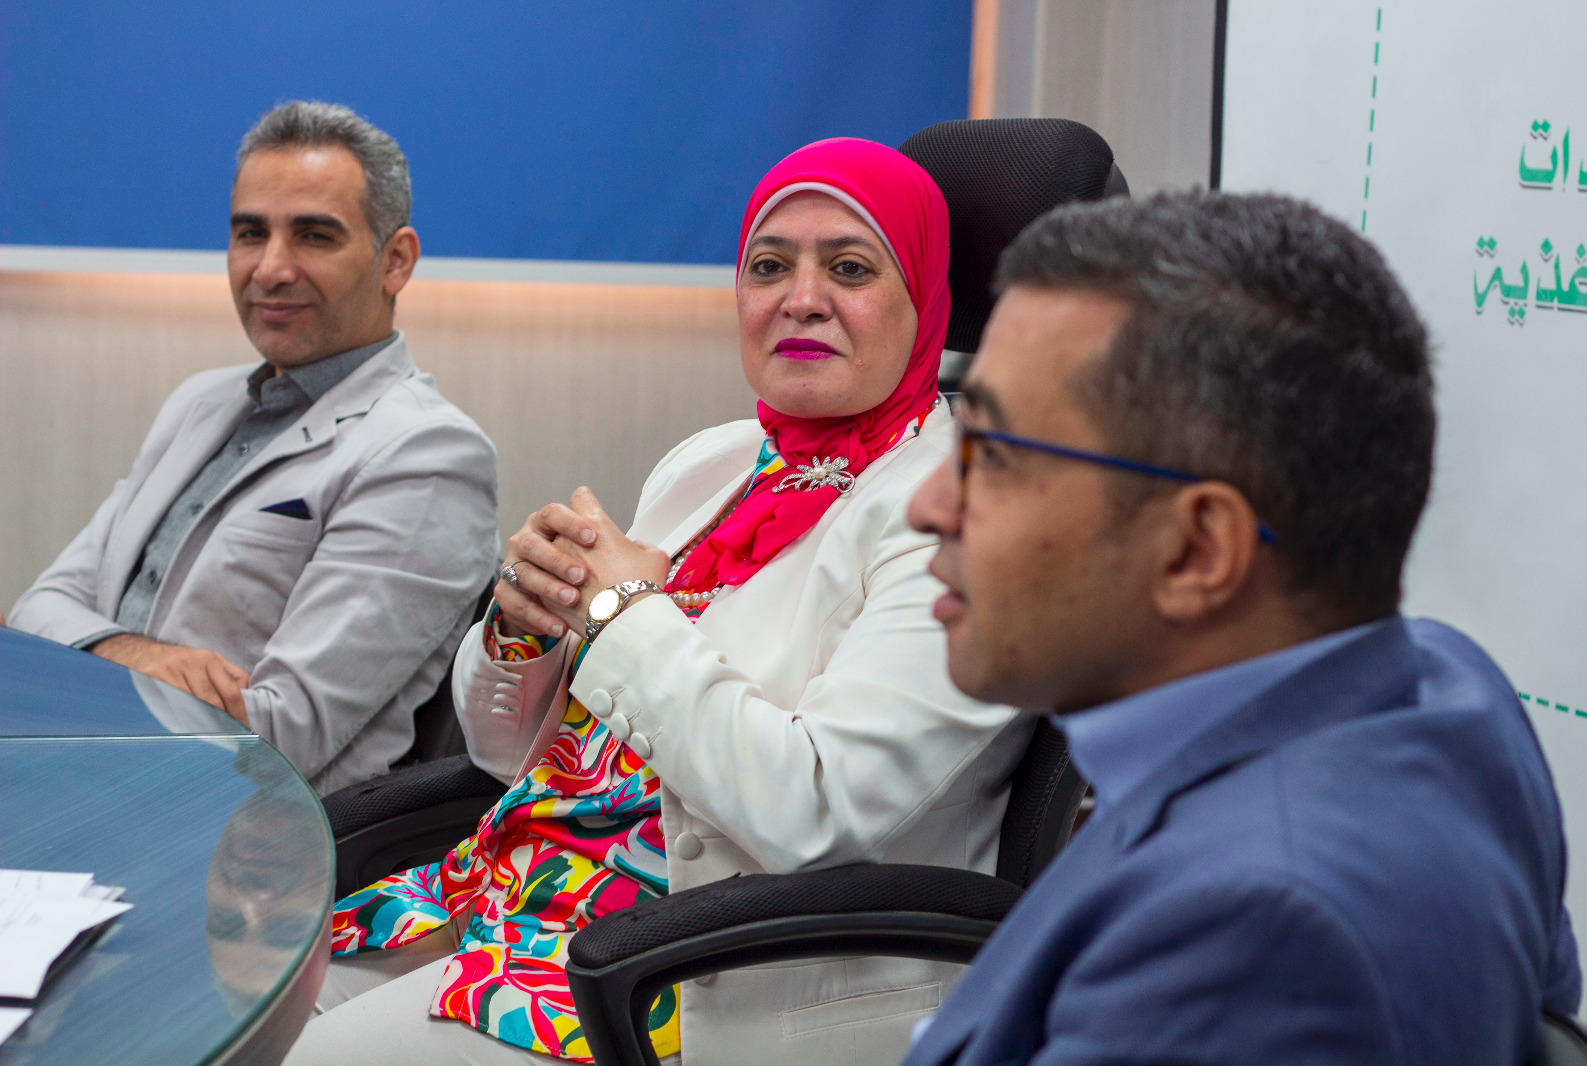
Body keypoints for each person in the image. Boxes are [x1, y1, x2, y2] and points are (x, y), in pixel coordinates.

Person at [285, 138, 1029, 1066]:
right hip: (516, 897)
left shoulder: (971, 517)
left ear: (924, 298)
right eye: (769, 266)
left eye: (849, 268)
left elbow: (812, 811)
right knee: (215, 1014)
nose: (800, 298)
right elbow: (509, 754)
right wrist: (523, 631)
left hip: (681, 965)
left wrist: (622, 612)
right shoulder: (717, 462)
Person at [899, 190, 1583, 1065]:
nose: (927, 506)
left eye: (989, 455)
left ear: (1196, 550)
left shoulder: (1254, 938)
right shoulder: (1447, 685)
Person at [8, 101, 498, 795]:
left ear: (395, 261)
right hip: (77, 773)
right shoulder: (199, 403)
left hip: (225, 825)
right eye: (250, 233)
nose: (270, 268)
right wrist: (130, 655)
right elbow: (36, 608)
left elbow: (278, 734)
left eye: (313, 236)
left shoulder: (428, 453)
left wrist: (84, 659)